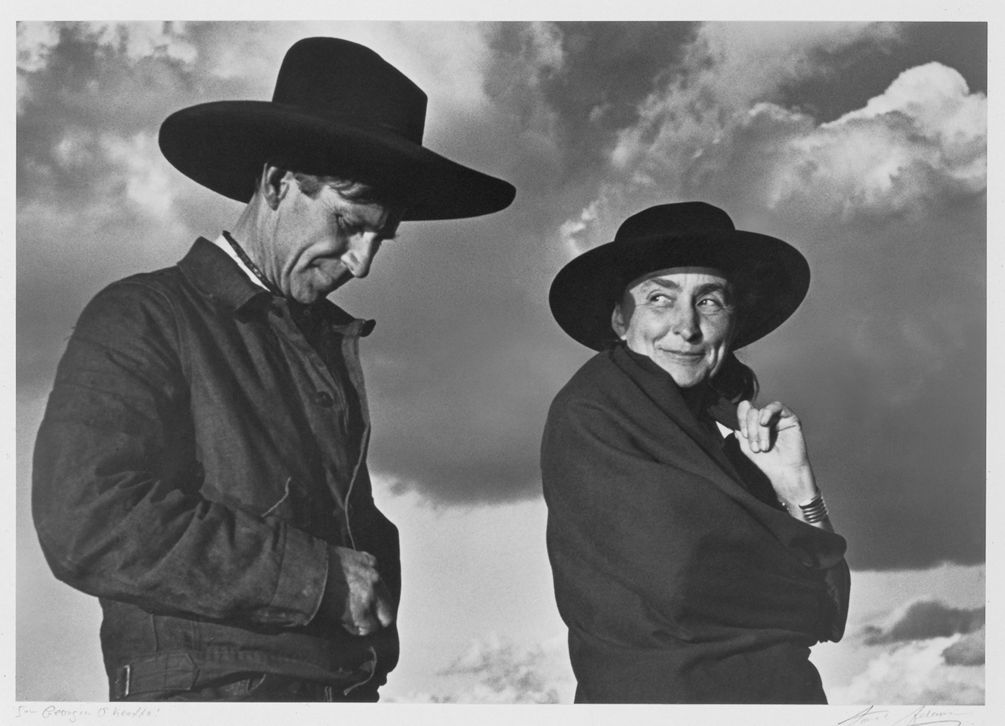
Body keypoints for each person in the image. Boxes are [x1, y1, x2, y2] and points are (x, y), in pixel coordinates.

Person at [31, 37, 514, 702]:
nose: (362, 263)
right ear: (278, 183)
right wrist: (320, 581)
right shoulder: (143, 315)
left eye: (381, 237)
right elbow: (86, 518)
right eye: (348, 224)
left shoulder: (319, 340)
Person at [541, 202, 850, 703]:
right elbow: (688, 584)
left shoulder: (725, 430)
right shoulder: (594, 413)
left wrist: (798, 489)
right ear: (620, 319)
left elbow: (832, 611)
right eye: (660, 299)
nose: (687, 326)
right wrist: (803, 584)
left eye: (709, 302)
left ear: (733, 320)